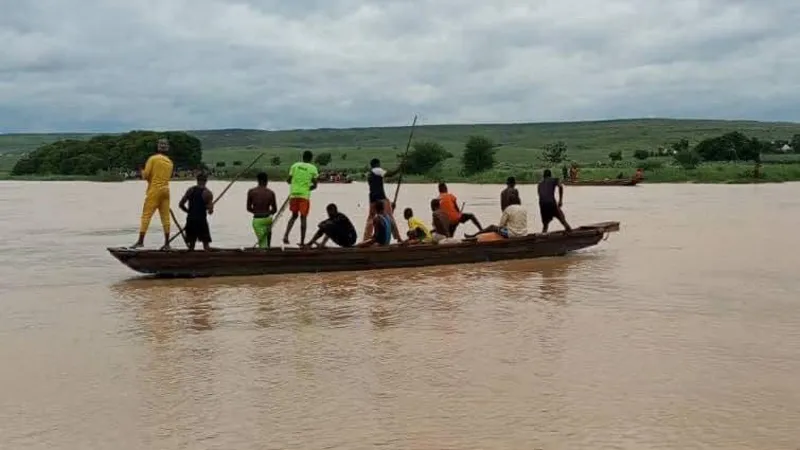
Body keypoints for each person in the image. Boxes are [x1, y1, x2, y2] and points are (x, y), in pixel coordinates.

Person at [132, 138, 174, 249]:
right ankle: (167, 243)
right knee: (165, 218)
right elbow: (165, 177)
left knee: (146, 216)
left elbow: (145, 175)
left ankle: (140, 241)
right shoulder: (170, 162)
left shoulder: (153, 159)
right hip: (166, 191)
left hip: (155, 190)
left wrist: (140, 170)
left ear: (157, 148)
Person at [283, 150, 319, 246]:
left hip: (294, 194)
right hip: (304, 196)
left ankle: (286, 236)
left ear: (302, 157)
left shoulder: (295, 166)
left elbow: (288, 180)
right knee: (303, 218)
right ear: (311, 159)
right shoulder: (313, 168)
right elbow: (315, 185)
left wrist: (295, 184)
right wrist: (307, 188)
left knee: (294, 216)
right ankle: (302, 242)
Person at [363, 158, 402, 241]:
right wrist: (399, 168)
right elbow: (390, 174)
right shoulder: (377, 170)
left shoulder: (369, 174)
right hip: (381, 197)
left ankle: (365, 239)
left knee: (370, 218)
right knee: (390, 217)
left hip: (372, 198)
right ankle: (398, 238)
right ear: (377, 164)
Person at [178, 172, 214, 250]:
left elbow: (181, 204)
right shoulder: (208, 193)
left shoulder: (190, 190)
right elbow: (210, 211)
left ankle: (190, 259)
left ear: (197, 180)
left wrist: (188, 211)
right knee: (206, 246)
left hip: (191, 219)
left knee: (191, 246)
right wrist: (209, 207)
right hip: (201, 221)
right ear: (206, 181)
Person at [247, 172, 277, 248]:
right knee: (267, 240)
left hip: (257, 220)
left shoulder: (251, 192)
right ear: (266, 181)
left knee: (263, 244)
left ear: (258, 180)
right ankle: (268, 251)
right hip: (268, 219)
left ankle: (264, 255)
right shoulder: (271, 193)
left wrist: (257, 211)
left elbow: (248, 208)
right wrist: (267, 212)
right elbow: (274, 210)